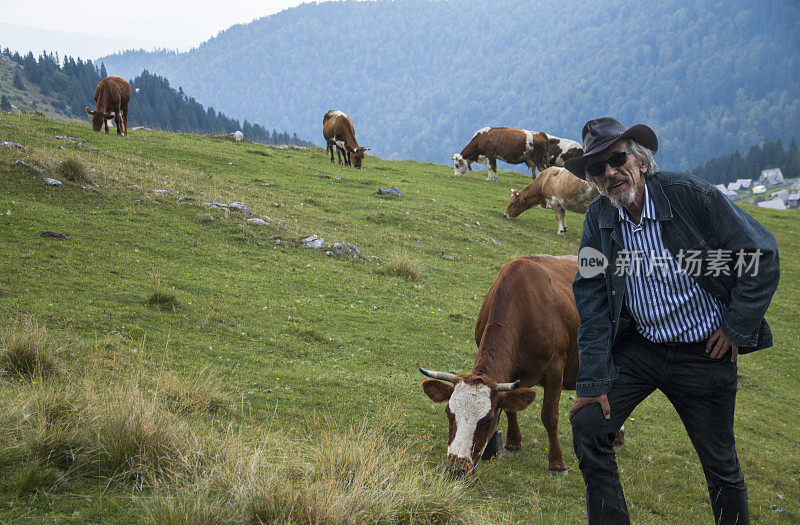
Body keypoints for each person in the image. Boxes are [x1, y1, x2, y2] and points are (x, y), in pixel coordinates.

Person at [563, 117, 780, 525]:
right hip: (642, 347)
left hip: (705, 352)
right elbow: (591, 297)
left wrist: (736, 327)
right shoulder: (599, 220)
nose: (610, 172)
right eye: (597, 168)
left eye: (617, 159)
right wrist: (591, 384)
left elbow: (762, 256)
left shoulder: (690, 196)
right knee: (590, 424)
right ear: (593, 179)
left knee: (721, 467)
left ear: (640, 162)